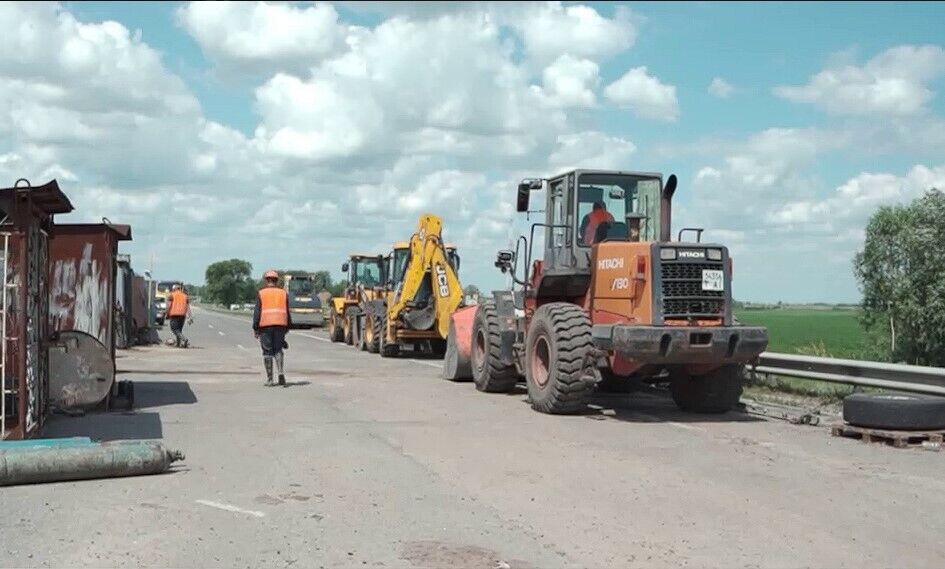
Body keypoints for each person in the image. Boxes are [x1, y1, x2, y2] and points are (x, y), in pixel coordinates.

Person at [253, 270, 292, 387]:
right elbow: (287, 311)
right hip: (280, 324)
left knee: (267, 352)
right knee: (278, 349)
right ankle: (280, 373)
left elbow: (257, 312)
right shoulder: (283, 293)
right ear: (276, 281)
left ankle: (270, 379)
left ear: (267, 280)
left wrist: (255, 328)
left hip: (265, 325)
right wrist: (288, 326)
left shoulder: (262, 293)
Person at [166, 284, 192, 348]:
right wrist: (189, 316)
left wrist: (167, 313)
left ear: (174, 289)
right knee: (179, 330)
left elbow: (169, 305)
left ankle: (184, 339)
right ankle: (178, 344)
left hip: (174, 314)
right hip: (182, 315)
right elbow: (188, 307)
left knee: (174, 329)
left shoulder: (171, 295)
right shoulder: (185, 296)